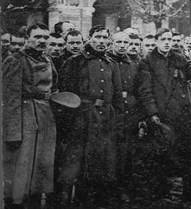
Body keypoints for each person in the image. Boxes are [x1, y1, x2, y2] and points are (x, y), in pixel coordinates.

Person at [136, 28, 191, 201]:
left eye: (170, 39)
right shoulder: (147, 61)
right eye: (164, 39)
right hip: (163, 113)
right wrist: (152, 112)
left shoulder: (179, 58)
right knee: (162, 152)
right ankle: (161, 190)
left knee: (188, 151)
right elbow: (145, 90)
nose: (167, 42)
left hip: (183, 113)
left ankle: (188, 189)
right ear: (157, 40)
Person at [58, 25, 122, 205]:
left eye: (105, 38)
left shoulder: (111, 64)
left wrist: (116, 119)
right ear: (90, 38)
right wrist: (70, 121)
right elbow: (65, 92)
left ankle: (94, 199)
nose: (101, 41)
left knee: (101, 160)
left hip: (105, 119)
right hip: (82, 118)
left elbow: (117, 96)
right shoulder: (75, 61)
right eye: (98, 37)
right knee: (78, 161)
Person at [3, 23, 57, 208]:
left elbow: (54, 88)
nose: (42, 41)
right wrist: (12, 132)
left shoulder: (49, 60)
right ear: (27, 38)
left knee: (40, 173)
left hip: (45, 118)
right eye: (38, 37)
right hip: (24, 119)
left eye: (45, 37)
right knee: (21, 173)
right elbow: (10, 98)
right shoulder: (15, 60)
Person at [106, 32, 141, 202]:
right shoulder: (106, 63)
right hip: (111, 111)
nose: (121, 45)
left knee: (127, 152)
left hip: (130, 112)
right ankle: (108, 188)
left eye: (125, 42)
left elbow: (139, 90)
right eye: (118, 42)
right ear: (111, 43)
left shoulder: (133, 64)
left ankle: (124, 187)